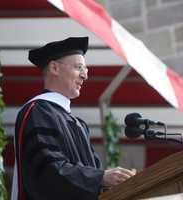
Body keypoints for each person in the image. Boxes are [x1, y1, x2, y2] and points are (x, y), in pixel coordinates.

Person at [11, 37, 136, 200]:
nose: (85, 76)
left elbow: (93, 174)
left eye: (86, 70)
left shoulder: (78, 124)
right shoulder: (37, 112)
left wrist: (115, 182)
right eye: (79, 68)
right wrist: (101, 178)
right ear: (54, 68)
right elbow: (49, 171)